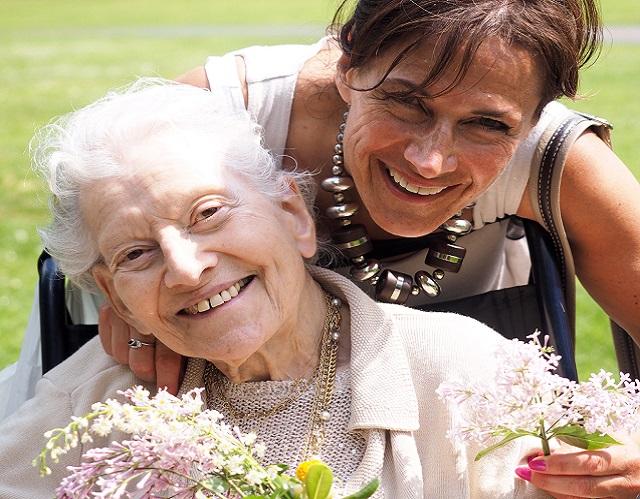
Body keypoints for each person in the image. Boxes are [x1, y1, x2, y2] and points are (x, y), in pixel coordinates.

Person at [2, 0, 640, 496]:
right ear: (344, 65)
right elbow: (105, 217)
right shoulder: (215, 114)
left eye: (488, 125)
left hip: (445, 385)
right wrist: (135, 301)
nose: (430, 159)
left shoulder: (559, 165)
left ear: (531, 122)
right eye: (403, 103)